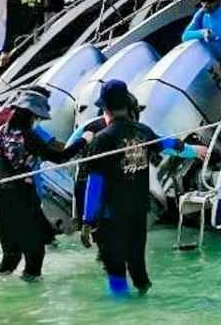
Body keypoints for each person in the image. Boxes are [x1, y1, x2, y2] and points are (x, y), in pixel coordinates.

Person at [81, 80, 200, 297]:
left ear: (105, 109)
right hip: (137, 213)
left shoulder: (102, 139)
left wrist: (87, 221)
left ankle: (123, 314)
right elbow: (169, 145)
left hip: (110, 217)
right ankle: (145, 302)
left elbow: (94, 184)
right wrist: (193, 151)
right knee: (137, 266)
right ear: (127, 105)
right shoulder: (143, 132)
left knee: (116, 271)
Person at [0, 89, 88, 280]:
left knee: (11, 255)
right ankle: (33, 296)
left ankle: (1, 288)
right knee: (35, 254)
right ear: (31, 116)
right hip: (21, 201)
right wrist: (84, 140)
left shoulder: (1, 132)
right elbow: (59, 158)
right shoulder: (28, 137)